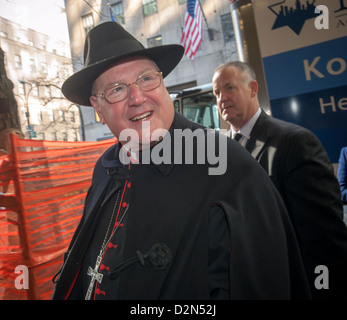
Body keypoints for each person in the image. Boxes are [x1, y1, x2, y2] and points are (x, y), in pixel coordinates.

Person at [52, 22, 311, 300]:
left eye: (146, 79)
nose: (138, 98)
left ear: (163, 83)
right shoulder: (105, 167)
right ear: (98, 108)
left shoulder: (227, 165)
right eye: (116, 90)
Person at [212, 60, 347, 299]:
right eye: (217, 92)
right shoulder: (221, 154)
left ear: (253, 89)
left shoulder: (294, 142)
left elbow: (324, 237)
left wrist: (322, 290)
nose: (222, 97)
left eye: (230, 88)